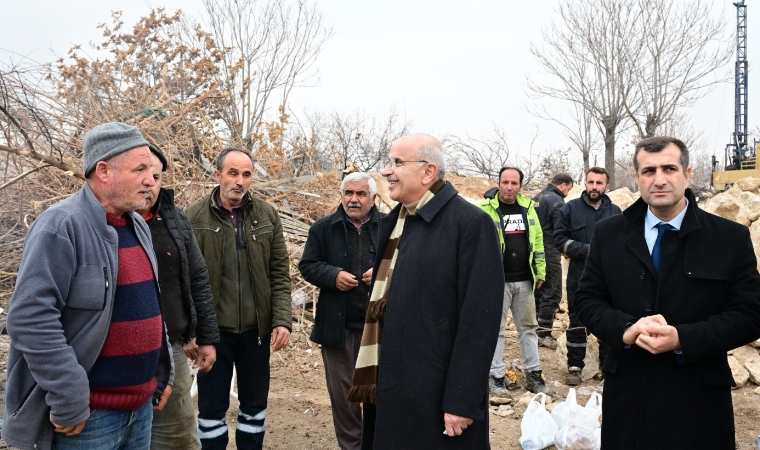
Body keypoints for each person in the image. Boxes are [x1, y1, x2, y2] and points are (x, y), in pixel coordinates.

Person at [574, 136, 760, 449]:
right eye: (648, 171)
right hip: (630, 398)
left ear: (687, 174)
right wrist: (626, 329)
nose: (659, 179)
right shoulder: (608, 234)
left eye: (669, 168)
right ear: (637, 178)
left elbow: (751, 314)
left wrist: (684, 338)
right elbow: (587, 300)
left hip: (699, 402)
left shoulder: (730, 238)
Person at [3, 122, 173, 450]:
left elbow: (151, 304)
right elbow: (29, 319)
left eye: (151, 171)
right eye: (140, 169)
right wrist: (69, 398)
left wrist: (162, 374)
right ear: (104, 170)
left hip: (139, 411)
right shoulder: (62, 226)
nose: (151, 180)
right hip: (89, 418)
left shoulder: (137, 225)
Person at [347, 134, 504, 449]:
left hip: (434, 395)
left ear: (428, 172)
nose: (387, 171)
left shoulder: (470, 224)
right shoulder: (397, 221)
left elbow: (479, 322)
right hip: (391, 386)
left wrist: (461, 399)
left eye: (396, 163)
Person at [186, 147, 292, 450]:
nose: (240, 181)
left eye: (246, 174)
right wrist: (193, 330)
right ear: (217, 174)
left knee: (255, 407)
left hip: (256, 334)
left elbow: (279, 273)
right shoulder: (194, 217)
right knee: (210, 410)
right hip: (213, 335)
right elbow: (186, 281)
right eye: (233, 173)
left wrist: (282, 320)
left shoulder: (267, 215)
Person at [136, 145, 220, 449]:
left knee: (178, 437)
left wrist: (206, 337)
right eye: (141, 172)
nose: (149, 182)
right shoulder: (98, 222)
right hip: (115, 351)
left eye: (157, 176)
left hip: (170, 346)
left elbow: (197, 278)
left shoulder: (174, 219)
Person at [299, 172, 384, 450]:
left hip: (380, 328)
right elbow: (308, 265)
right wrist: (333, 275)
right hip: (338, 327)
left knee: (380, 392)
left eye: (361, 194)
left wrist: (384, 274)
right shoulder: (324, 228)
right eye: (349, 193)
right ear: (341, 196)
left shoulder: (390, 226)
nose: (354, 199)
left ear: (373, 198)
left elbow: (407, 265)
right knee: (344, 395)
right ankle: (351, 447)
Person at [479, 167, 553, 401]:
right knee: (496, 331)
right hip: (497, 281)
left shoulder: (529, 209)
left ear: (520, 185)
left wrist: (540, 272)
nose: (509, 187)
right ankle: (496, 377)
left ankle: (534, 375)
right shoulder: (484, 210)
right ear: (498, 183)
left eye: (514, 183)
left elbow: (538, 242)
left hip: (524, 280)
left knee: (528, 329)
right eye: (505, 182)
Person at [553, 167, 621, 385]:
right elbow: (559, 239)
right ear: (585, 184)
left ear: (607, 186)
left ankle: (606, 367)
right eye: (591, 182)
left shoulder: (616, 211)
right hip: (579, 277)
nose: (594, 187)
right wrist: (588, 250)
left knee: (607, 320)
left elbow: (625, 242)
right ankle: (575, 367)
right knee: (577, 320)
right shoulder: (570, 209)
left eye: (599, 183)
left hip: (609, 278)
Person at [532, 173, 574, 350]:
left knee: (537, 290)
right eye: (568, 189)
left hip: (533, 250)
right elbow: (560, 230)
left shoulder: (536, 198)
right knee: (553, 291)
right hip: (549, 250)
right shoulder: (557, 201)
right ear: (563, 185)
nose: (567, 193)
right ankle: (543, 333)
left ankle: (532, 330)